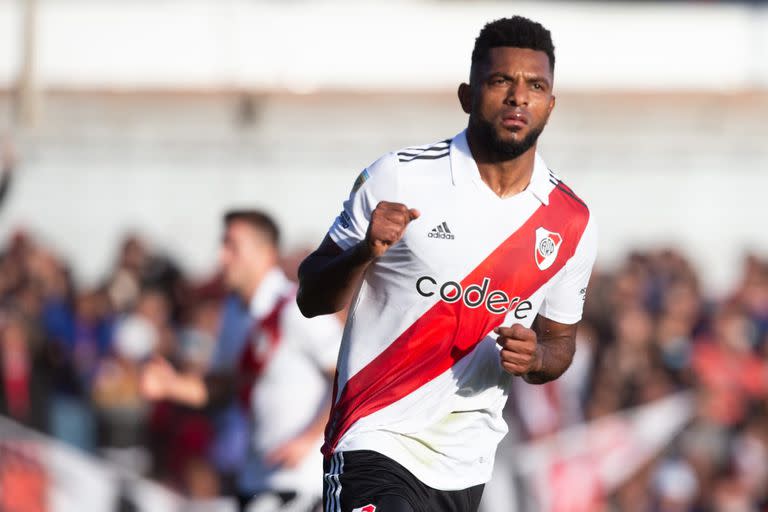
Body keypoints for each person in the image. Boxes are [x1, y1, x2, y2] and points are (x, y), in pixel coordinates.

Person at [297, 16, 598, 512]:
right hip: (375, 438)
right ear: (468, 94)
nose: (518, 97)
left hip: (466, 464)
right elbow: (312, 296)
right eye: (501, 81)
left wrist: (538, 358)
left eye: (535, 85)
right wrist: (363, 251)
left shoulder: (570, 220)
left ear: (551, 103)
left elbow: (560, 340)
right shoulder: (398, 177)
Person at [141, 210, 342, 511]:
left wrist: (311, 439)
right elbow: (223, 387)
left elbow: (349, 376)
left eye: (232, 245)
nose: (222, 256)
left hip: (299, 483)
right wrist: (172, 386)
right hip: (253, 480)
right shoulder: (234, 313)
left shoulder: (296, 309)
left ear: (266, 253)